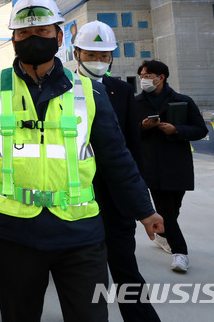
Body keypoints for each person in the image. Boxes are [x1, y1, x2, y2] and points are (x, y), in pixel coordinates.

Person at [0, 0, 164, 322]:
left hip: (80, 233)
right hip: (13, 232)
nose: (33, 39)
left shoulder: (89, 92)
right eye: (23, 33)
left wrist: (144, 209)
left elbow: (116, 158)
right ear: (13, 39)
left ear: (59, 35)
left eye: (42, 31)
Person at [73, 22, 160, 322]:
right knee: (83, 271)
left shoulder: (121, 90)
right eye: (90, 54)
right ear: (76, 54)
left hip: (117, 198)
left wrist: (140, 199)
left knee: (124, 264)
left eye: (104, 55)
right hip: (78, 196)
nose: (98, 61)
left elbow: (132, 148)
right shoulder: (64, 89)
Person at [135, 59, 207, 274]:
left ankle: (164, 235)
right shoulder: (136, 104)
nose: (143, 80)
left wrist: (176, 130)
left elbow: (200, 130)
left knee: (173, 210)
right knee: (165, 211)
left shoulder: (183, 101)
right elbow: (126, 133)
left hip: (178, 165)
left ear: (161, 77)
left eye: (147, 76)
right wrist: (142, 127)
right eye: (141, 76)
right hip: (151, 166)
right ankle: (180, 253)